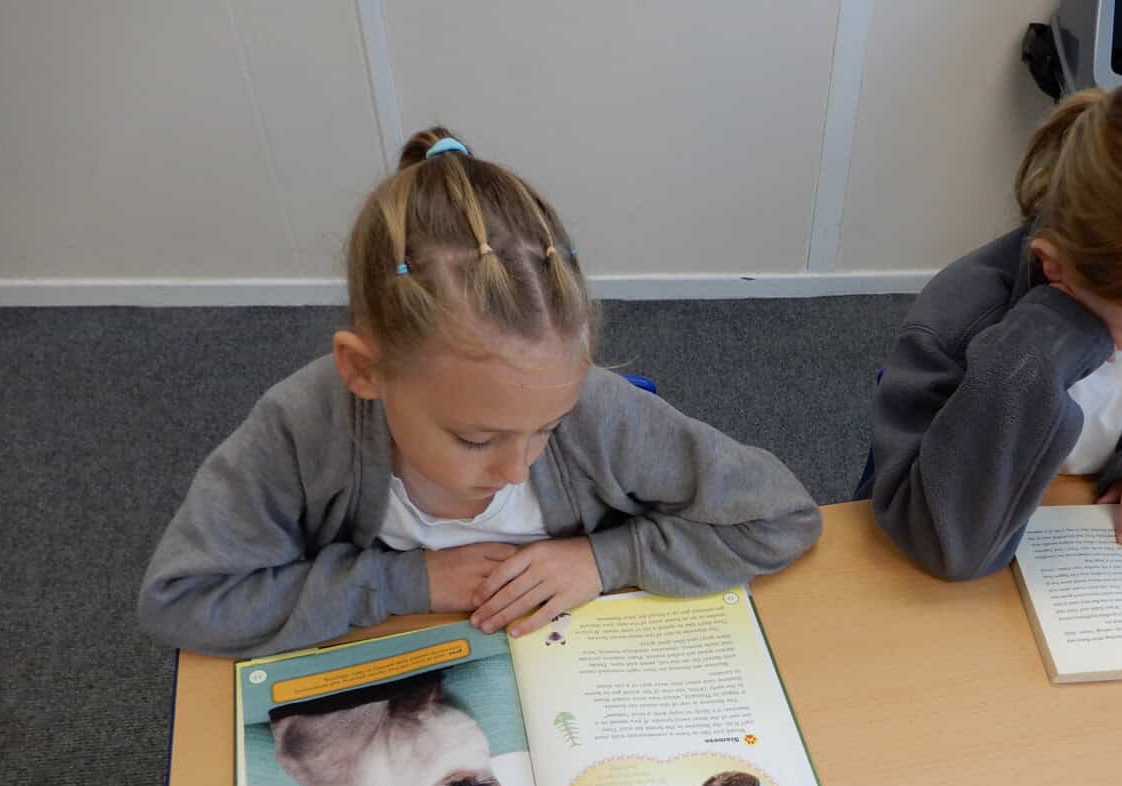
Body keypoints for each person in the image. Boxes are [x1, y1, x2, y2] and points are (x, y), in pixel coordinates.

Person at [140, 129, 821, 658]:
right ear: (364, 371)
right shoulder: (302, 426)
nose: (516, 470)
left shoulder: (594, 410)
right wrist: (407, 582)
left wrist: (608, 560)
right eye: (475, 438)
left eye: (546, 428)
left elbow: (781, 517)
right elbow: (183, 600)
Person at [861, 64, 1122, 577]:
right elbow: (942, 543)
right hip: (939, 562)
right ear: (1055, 267)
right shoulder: (960, 320)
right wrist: (1036, 352)